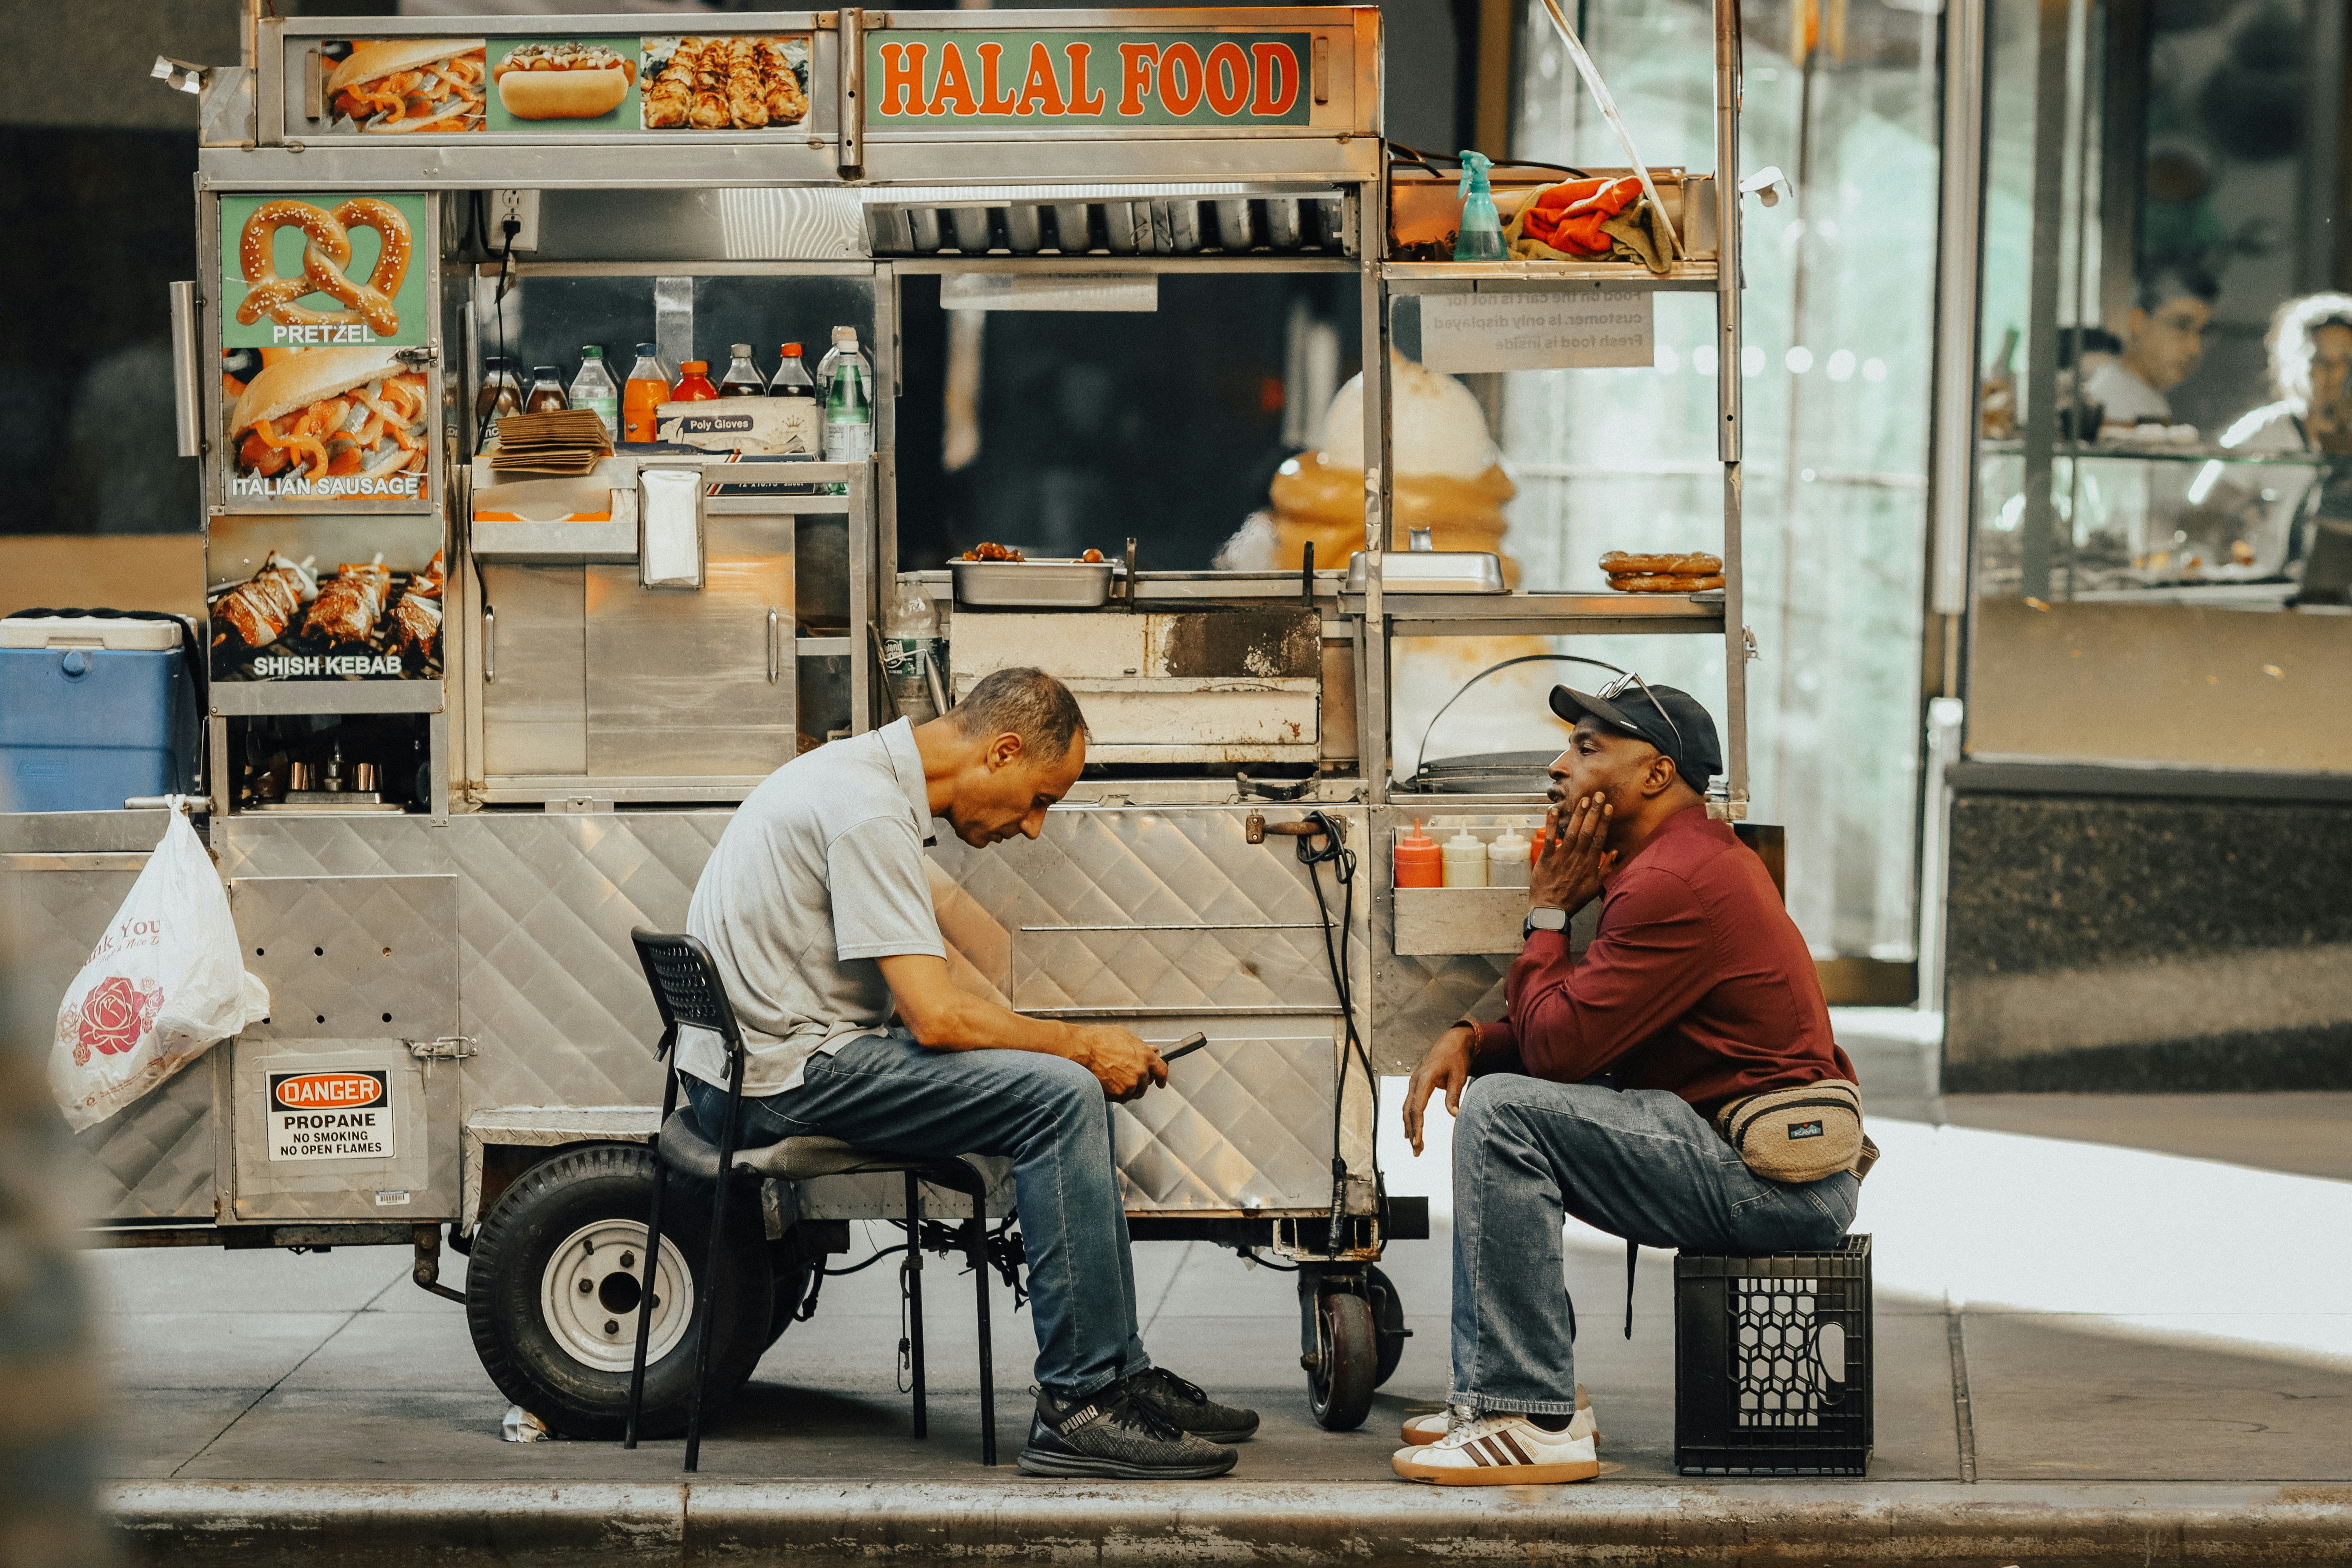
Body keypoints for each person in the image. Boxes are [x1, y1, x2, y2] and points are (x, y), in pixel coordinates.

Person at [677, 667, 1258, 1480]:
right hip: (783, 1079)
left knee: (1051, 1075)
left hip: (755, 1065)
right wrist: (1077, 1045)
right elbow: (938, 1019)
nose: (1032, 827)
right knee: (1059, 1095)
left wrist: (1043, 1041)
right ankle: (1080, 1402)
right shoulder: (867, 808)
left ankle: (1118, 1371)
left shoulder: (858, 778)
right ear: (1003, 750)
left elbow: (938, 992)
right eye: (1039, 798)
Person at [1391, 678, 1860, 1486]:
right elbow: (1601, 1026)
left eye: (1584, 747)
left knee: (1505, 1116)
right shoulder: (1676, 860)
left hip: (1771, 1178)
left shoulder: (1670, 880)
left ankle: (1529, 1416)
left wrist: (1544, 915)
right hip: (1747, 1155)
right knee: (1505, 1100)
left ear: (1654, 774)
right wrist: (1477, 1034)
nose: (1555, 765)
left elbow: (1562, 1053)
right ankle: (1513, 1394)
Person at [2088, 266, 2217, 429]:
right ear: (2138, 322)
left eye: (2203, 333)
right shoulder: (2110, 407)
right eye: (2180, 326)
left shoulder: (2149, 402)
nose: (2195, 349)